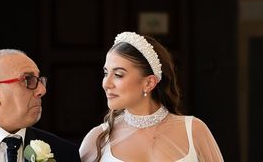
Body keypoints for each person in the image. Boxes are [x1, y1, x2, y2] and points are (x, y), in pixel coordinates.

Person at [80, 32, 224, 162]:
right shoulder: (98, 139)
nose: (106, 83)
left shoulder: (194, 130)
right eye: (106, 73)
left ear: (149, 83)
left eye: (118, 75)